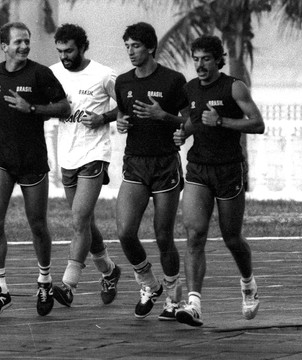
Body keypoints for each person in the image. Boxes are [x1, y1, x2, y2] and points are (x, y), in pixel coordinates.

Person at [0, 21, 70, 317]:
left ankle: (45, 281)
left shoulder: (40, 73)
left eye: (27, 41)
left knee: (37, 224)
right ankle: (0, 289)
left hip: (32, 160)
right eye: (18, 42)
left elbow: (64, 107)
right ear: (4, 47)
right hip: (1, 157)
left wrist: (33, 109)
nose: (24, 46)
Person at [173, 36, 264, 327]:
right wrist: (183, 133)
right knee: (194, 233)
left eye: (205, 59)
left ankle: (248, 283)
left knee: (231, 237)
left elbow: (257, 124)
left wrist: (222, 122)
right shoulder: (190, 88)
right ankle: (194, 303)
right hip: (198, 169)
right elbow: (194, 119)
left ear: (217, 60)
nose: (199, 64)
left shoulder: (234, 86)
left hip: (228, 170)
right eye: (196, 58)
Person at [114, 22, 188, 320]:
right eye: (128, 46)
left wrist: (163, 115)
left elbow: (187, 120)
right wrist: (120, 122)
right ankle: (148, 284)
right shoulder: (123, 81)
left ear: (150, 48)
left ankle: (172, 295)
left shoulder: (173, 80)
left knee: (163, 235)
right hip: (135, 162)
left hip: (165, 163)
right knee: (125, 232)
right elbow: (122, 111)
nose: (131, 52)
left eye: (136, 46)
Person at [47, 23, 121, 308]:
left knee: (78, 220)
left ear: (82, 47)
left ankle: (68, 284)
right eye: (60, 51)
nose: (65, 56)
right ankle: (109, 271)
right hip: (67, 156)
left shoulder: (103, 75)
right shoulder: (53, 73)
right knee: (86, 222)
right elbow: (47, 105)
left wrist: (103, 118)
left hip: (94, 154)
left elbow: (125, 105)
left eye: (69, 51)